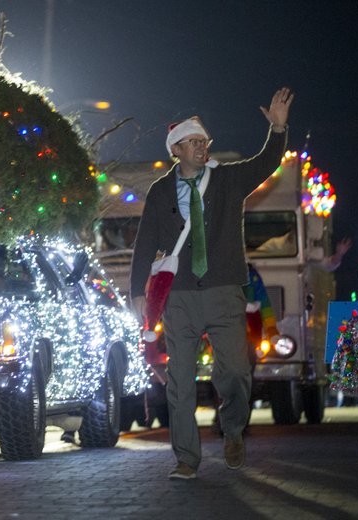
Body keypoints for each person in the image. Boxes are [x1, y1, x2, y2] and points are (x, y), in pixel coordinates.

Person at [130, 88, 293, 480]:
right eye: (193, 142)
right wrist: (137, 292)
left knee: (236, 372)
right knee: (179, 383)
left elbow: (268, 162)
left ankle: (233, 429)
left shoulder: (228, 180)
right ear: (176, 150)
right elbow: (145, 243)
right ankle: (187, 458)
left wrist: (278, 129)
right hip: (179, 296)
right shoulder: (159, 192)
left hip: (224, 291)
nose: (201, 147)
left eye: (204, 141)